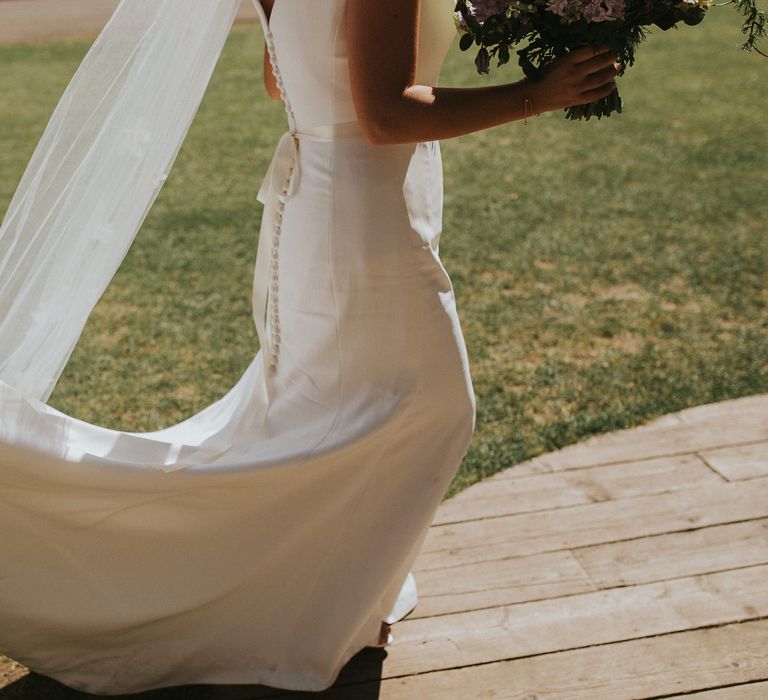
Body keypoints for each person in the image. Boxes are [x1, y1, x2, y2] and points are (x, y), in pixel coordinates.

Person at [0, 0, 618, 694]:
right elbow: (385, 117)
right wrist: (540, 92)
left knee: (326, 419)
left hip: (321, 201)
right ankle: (292, 608)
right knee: (438, 409)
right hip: (357, 215)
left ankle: (339, 605)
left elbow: (281, 78)